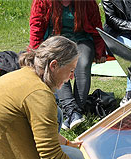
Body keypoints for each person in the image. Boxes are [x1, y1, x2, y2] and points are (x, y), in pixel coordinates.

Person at [29, 0, 106, 130]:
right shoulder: (42, 2)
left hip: (82, 40)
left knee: (83, 64)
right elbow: (36, 26)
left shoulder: (88, 2)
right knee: (58, 65)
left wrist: (100, 50)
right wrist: (35, 51)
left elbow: (96, 25)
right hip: (57, 41)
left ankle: (74, 112)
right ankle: (72, 111)